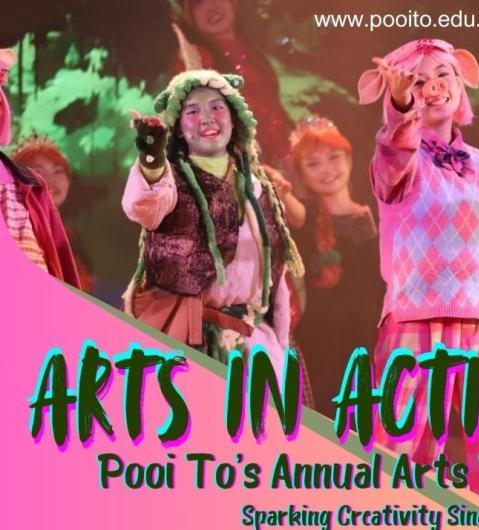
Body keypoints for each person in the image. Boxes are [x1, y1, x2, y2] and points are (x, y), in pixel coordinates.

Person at [358, 38, 479, 506]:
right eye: (417, 82)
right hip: (420, 316)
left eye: (443, 75)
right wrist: (401, 108)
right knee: (401, 451)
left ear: (462, 82)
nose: (433, 87)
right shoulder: (400, 157)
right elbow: (392, 157)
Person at [121, 69, 304, 376]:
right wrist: (152, 161)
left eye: (216, 107)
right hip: (187, 344)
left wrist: (280, 343)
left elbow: (276, 279)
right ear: (179, 128)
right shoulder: (171, 180)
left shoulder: (261, 190)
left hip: (252, 344)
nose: (206, 118)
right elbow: (145, 207)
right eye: (192, 111)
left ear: (235, 119)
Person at [284, 115, 382, 418]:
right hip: (324, 356)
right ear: (302, 175)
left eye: (333, 157)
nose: (326, 169)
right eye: (313, 164)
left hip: (376, 350)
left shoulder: (379, 212)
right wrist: (280, 189)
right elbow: (292, 207)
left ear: (349, 159)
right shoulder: (306, 217)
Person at [171, 0, 291, 165]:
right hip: (251, 166)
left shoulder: (253, 44)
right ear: (187, 14)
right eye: (198, 2)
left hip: (287, 157)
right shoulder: (198, 59)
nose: (211, 7)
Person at [0, 48, 80, 288]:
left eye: (58, 170)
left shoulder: (28, 185)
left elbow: (61, 270)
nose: (52, 178)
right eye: (42, 169)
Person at [13, 134, 96, 292]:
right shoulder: (13, 235)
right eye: (38, 171)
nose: (50, 180)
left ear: (68, 182)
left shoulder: (71, 238)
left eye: (58, 171)